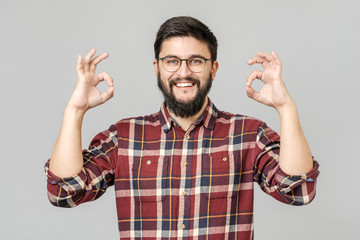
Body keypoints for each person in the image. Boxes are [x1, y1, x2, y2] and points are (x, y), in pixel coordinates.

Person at [45, 16, 319, 239]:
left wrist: (286, 107)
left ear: (213, 69)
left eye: (196, 61)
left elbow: (298, 191)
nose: (184, 72)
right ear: (157, 68)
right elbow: (64, 192)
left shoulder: (247, 134)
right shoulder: (124, 137)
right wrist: (75, 110)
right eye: (172, 61)